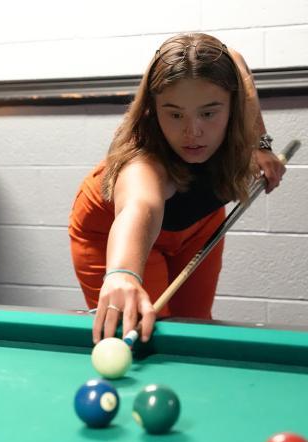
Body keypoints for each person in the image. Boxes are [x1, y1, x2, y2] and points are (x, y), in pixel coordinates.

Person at [69, 32, 285, 344]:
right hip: (109, 229)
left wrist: (261, 144)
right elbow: (139, 206)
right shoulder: (143, 162)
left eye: (209, 113)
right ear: (153, 109)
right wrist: (122, 274)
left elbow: (236, 61)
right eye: (174, 113)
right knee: (145, 333)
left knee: (196, 327)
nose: (192, 132)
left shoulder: (238, 114)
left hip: (197, 225)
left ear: (233, 105)